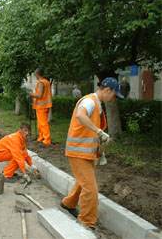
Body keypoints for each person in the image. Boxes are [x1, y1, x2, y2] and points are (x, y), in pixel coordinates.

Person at [61, 77, 125, 231]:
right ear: (107, 90)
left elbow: (89, 131)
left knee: (83, 182)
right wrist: (99, 131)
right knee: (90, 189)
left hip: (86, 153)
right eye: (114, 95)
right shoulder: (90, 101)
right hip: (78, 152)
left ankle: (68, 204)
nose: (113, 99)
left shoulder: (97, 104)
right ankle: (86, 223)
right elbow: (80, 115)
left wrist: (99, 151)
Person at [29, 68, 52, 145]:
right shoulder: (47, 82)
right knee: (40, 123)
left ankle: (47, 139)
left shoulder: (41, 83)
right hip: (45, 105)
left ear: (37, 74)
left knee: (43, 123)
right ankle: (41, 137)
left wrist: (31, 94)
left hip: (41, 106)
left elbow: (39, 95)